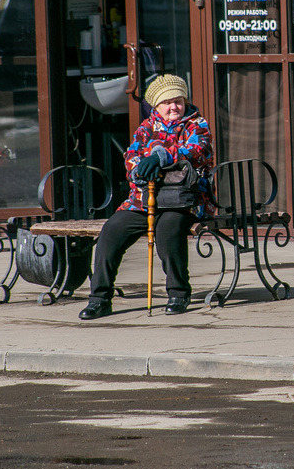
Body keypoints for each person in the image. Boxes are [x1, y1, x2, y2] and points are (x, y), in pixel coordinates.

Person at [79, 74, 214, 320]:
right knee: (111, 231)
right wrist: (139, 169)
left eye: (178, 101)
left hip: (183, 200)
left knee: (168, 228)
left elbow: (196, 151)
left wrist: (161, 157)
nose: (174, 107)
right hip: (144, 200)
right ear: (156, 106)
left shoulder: (197, 125)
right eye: (167, 102)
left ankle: (178, 292)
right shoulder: (145, 128)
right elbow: (131, 157)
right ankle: (100, 299)